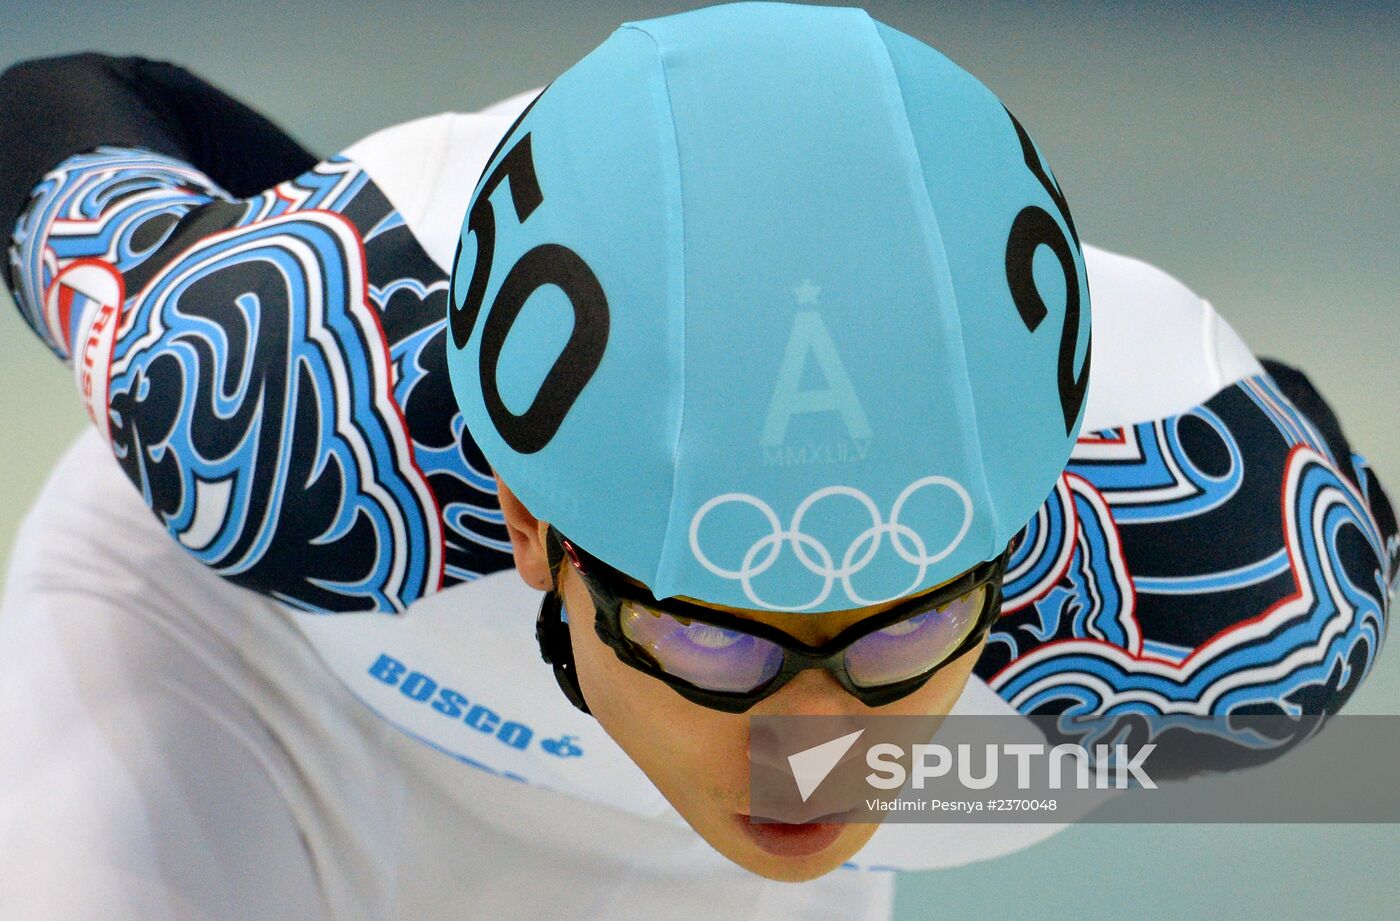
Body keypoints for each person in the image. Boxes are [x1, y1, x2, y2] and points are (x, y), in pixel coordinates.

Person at [0, 3, 1393, 919]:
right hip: (254, 677)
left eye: (904, 624)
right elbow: (63, 100)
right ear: (529, 521)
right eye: (715, 638)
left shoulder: (1229, 599)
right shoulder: (291, 414)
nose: (813, 741)